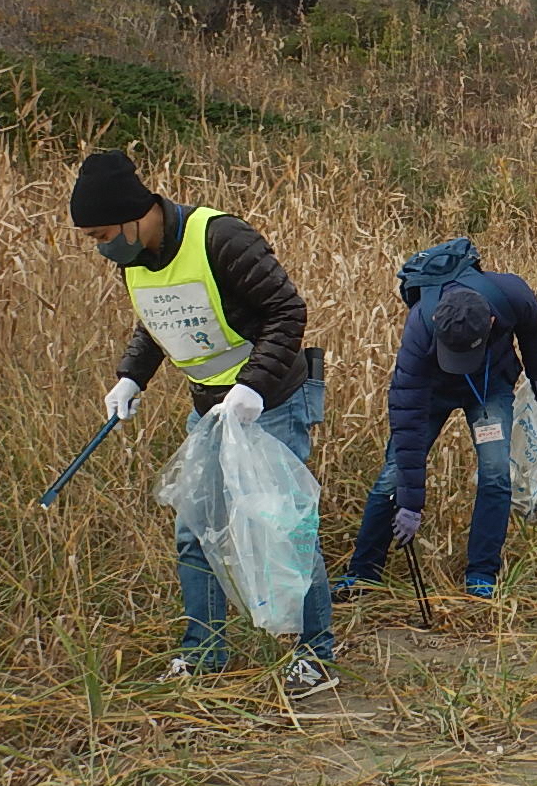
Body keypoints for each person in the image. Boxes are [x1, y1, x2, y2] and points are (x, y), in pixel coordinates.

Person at [69, 150, 337, 696]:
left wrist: (253, 387)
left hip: (273, 402)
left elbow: (288, 310)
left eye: (101, 234)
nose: (101, 247)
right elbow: (158, 321)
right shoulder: (137, 258)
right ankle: (205, 651)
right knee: (194, 529)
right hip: (210, 410)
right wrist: (131, 378)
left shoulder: (220, 237)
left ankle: (316, 655)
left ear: (132, 213)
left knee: (286, 529)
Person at [332, 261, 537, 601]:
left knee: (495, 474)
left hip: (488, 387)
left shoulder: (511, 293)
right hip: (431, 391)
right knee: (392, 477)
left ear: (492, 322)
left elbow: (534, 327)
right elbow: (407, 422)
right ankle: (363, 573)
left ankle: (481, 574)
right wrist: (410, 503)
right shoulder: (420, 328)